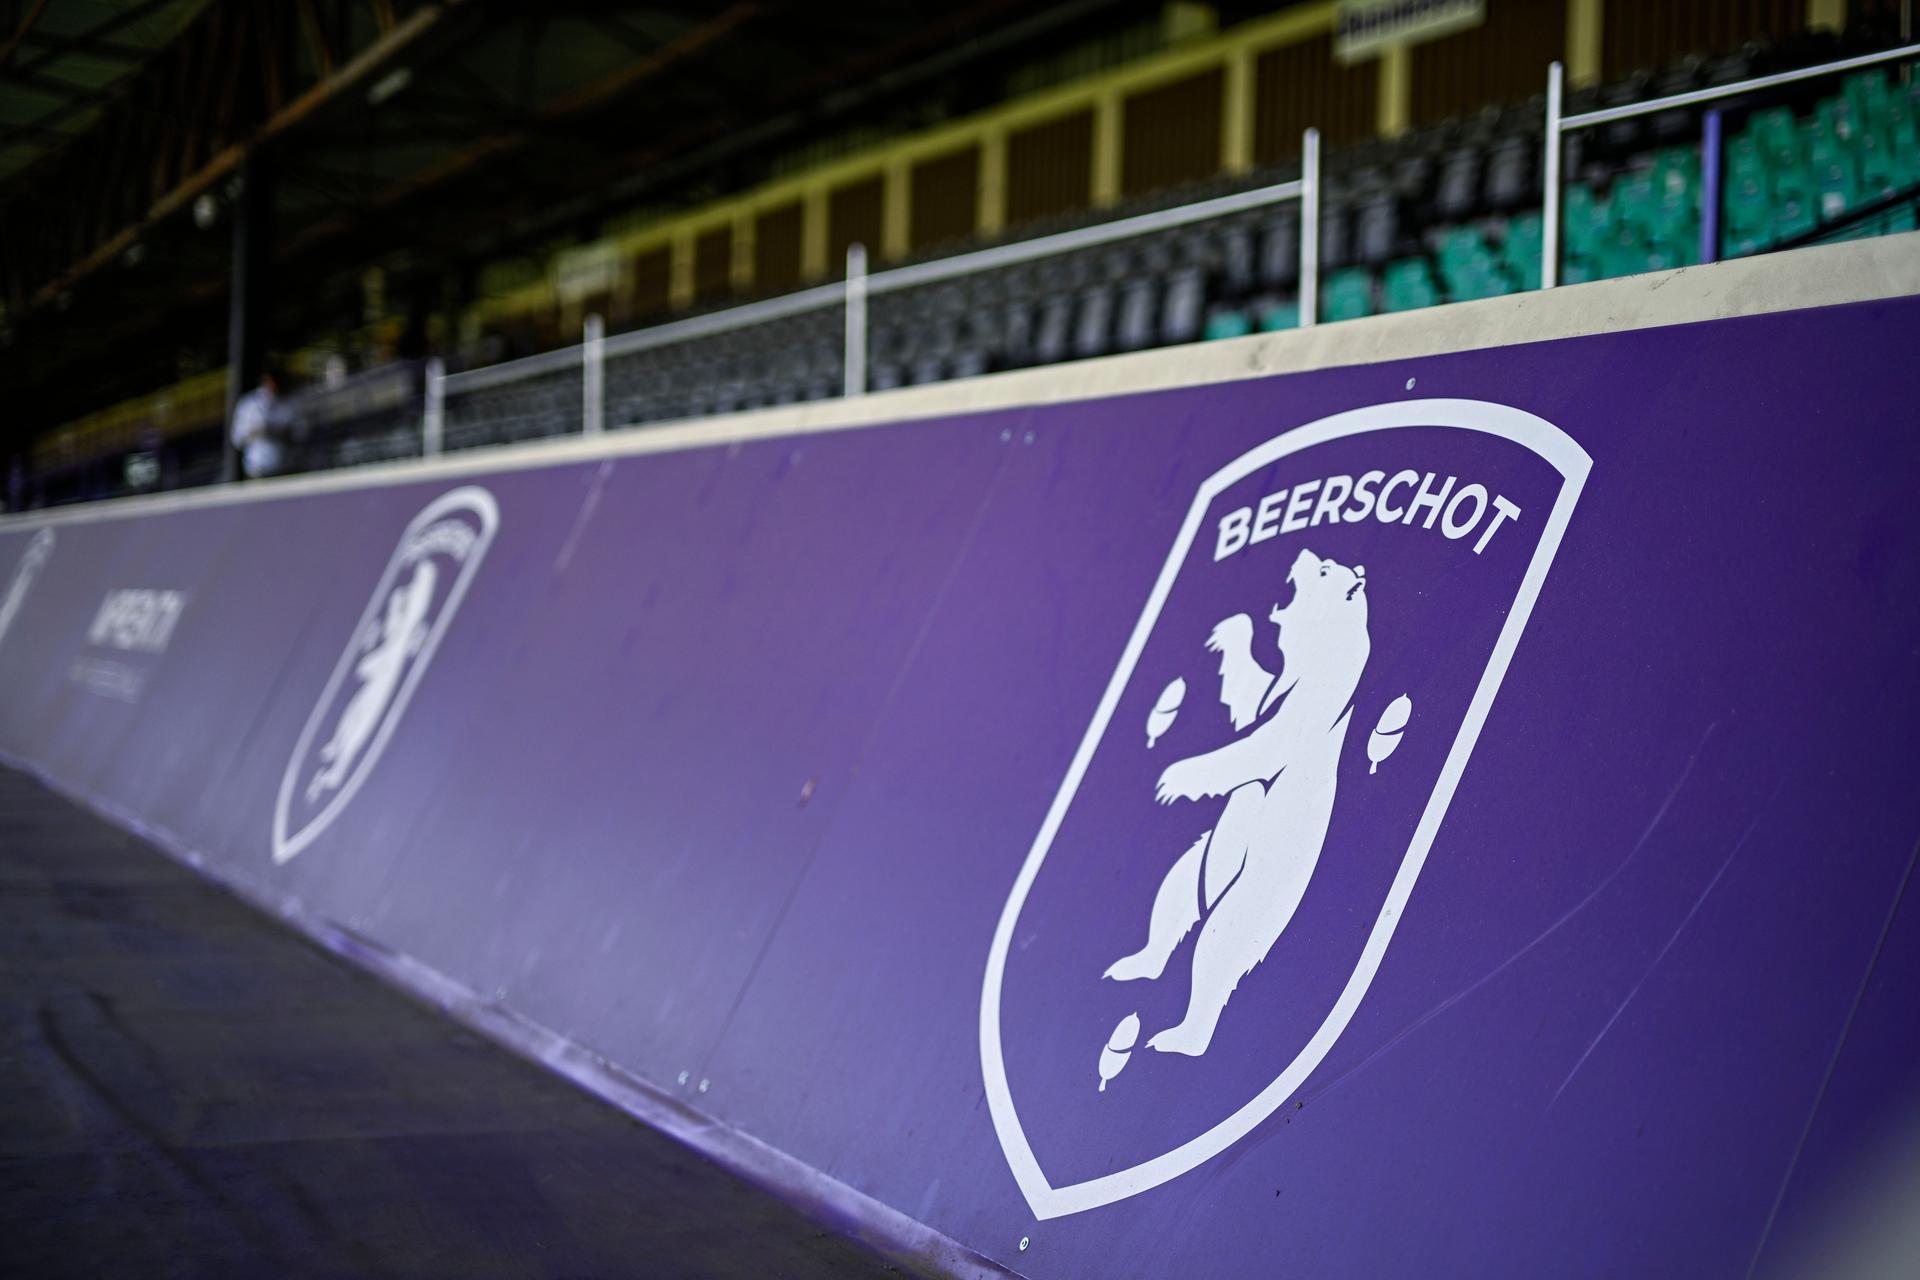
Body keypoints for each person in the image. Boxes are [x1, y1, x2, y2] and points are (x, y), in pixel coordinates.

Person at [229, 370, 294, 479]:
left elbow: (297, 432)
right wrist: (256, 431)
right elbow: (237, 438)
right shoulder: (248, 405)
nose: (272, 386)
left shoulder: (286, 403)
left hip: (282, 468)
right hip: (256, 469)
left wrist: (277, 431)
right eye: (268, 382)